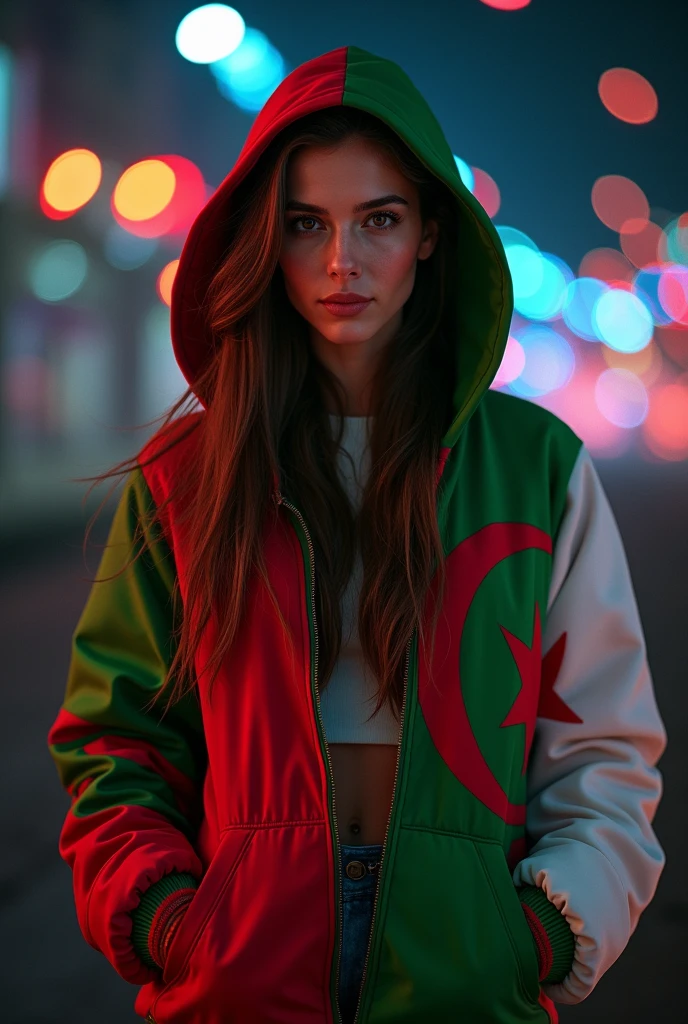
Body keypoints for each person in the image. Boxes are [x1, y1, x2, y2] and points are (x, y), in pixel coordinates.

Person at [47, 45, 666, 1024]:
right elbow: (113, 740)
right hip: (236, 968)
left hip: (462, 965)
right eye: (306, 225)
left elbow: (603, 747)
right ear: (266, 240)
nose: (343, 261)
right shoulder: (185, 479)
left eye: (377, 219)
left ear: (428, 233)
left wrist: (539, 934)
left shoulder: (536, 467)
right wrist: (169, 920)